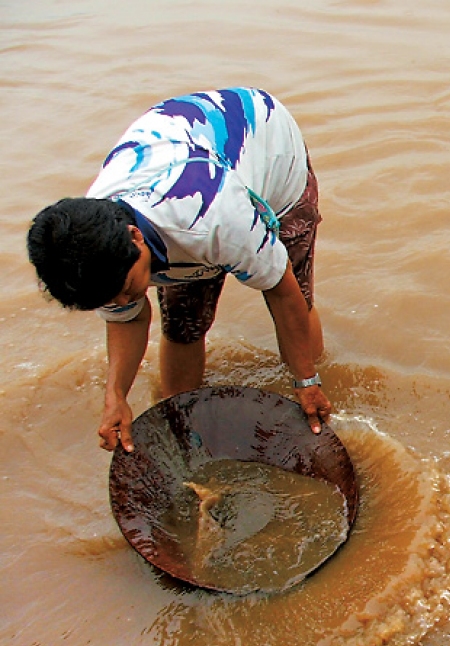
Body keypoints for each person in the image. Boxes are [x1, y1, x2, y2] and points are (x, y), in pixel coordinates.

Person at [27, 87, 332, 453]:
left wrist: (306, 381)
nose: (124, 300)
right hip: (183, 159)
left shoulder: (212, 221)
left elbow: (282, 292)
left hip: (268, 149)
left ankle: (318, 393)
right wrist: (116, 396)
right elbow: (127, 318)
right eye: (113, 297)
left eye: (126, 288)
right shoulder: (93, 256)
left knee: (298, 293)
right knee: (183, 323)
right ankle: (184, 420)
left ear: (135, 238)